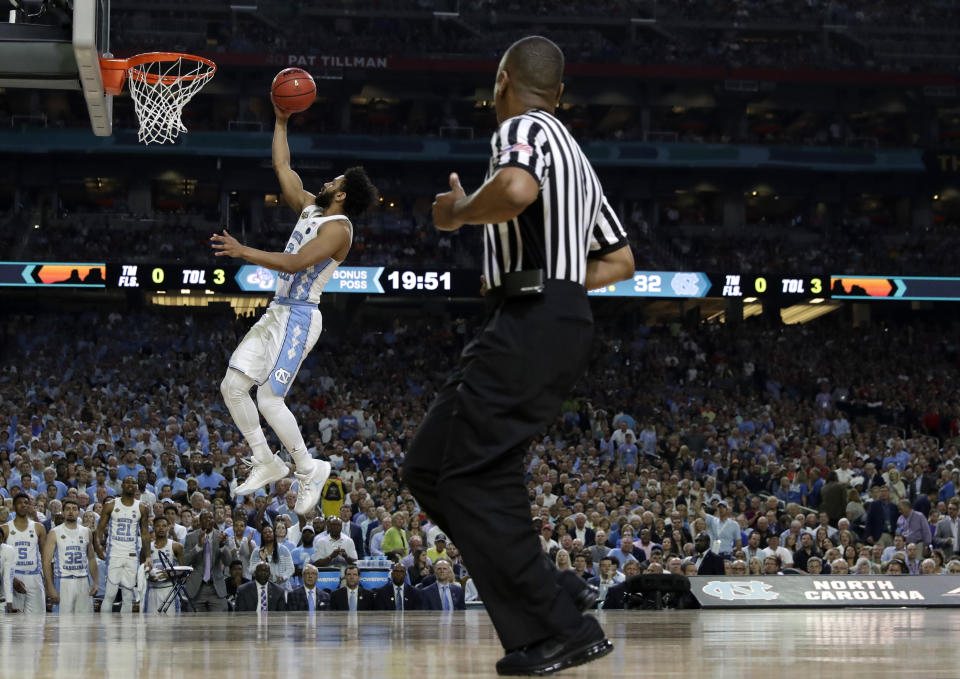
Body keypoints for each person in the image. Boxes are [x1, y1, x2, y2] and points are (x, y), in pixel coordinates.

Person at [403, 34, 633, 677]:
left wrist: (456, 215)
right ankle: (554, 603)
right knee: (428, 469)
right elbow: (621, 261)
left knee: (477, 475)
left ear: (502, 79)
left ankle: (562, 624)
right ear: (561, 93)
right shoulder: (578, 158)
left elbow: (514, 189)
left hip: (531, 319)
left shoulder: (523, 127)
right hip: (555, 316)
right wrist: (553, 278)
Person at [210, 100, 379, 516]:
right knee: (231, 387)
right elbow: (283, 168)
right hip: (276, 311)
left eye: (334, 180)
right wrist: (281, 121)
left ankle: (308, 469)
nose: (327, 180)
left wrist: (241, 250)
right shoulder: (311, 208)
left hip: (300, 315)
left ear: (341, 194)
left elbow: (292, 263)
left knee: (269, 400)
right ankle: (267, 460)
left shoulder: (339, 230)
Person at [95, 477, 150, 613]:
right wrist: (99, 548)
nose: (130, 485)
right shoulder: (111, 505)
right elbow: (99, 529)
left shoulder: (142, 507)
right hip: (114, 553)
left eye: (133, 482)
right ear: (122, 485)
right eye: (127, 482)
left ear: (136, 486)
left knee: (128, 595)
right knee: (110, 593)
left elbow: (144, 534)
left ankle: (127, 629)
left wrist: (148, 556)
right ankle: (106, 628)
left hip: (131, 554)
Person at [42, 498, 97, 614]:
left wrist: (96, 582)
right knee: (62, 625)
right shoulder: (54, 532)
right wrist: (50, 587)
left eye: (74, 509)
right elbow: (46, 562)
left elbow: (91, 558)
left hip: (83, 580)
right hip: (63, 581)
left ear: (78, 512)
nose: (71, 512)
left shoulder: (87, 532)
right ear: (62, 512)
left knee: (85, 624)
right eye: (67, 509)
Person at [182, 510, 234, 612]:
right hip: (197, 588)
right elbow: (185, 561)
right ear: (200, 521)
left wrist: (222, 546)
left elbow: (228, 562)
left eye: (210, 518)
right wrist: (198, 547)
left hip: (216, 588)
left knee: (220, 624)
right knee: (194, 625)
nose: (208, 520)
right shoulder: (191, 537)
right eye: (205, 518)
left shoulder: (222, 536)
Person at [142, 516, 184, 614]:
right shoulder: (147, 548)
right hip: (152, 590)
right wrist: (148, 576)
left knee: (171, 625)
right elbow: (140, 570)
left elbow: (185, 572)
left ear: (168, 527)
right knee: (151, 625)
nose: (161, 528)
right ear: (153, 527)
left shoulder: (176, 546)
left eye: (164, 526)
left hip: (170, 590)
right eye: (158, 526)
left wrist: (171, 574)